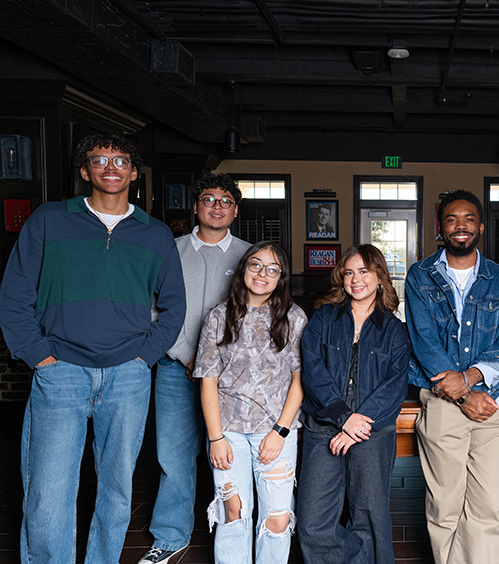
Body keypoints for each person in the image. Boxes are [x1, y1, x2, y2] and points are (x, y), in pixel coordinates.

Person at [0, 134, 186, 564]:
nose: (111, 167)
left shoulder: (155, 234)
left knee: (117, 488)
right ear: (85, 171)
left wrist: (145, 357)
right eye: (99, 160)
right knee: (48, 490)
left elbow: (175, 307)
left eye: (121, 160)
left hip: (128, 375)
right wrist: (39, 356)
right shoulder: (49, 220)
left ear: (134, 173)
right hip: (60, 370)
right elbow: (14, 295)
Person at [406, 189, 499, 564]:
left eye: (469, 219)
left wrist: (471, 379)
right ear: (440, 228)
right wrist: (460, 395)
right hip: (442, 401)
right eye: (452, 219)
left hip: (496, 402)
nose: (461, 226)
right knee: (445, 504)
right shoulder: (420, 276)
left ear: (481, 227)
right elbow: (424, 342)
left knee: (489, 506)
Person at [140, 174, 251, 564]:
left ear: (235, 210)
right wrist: (188, 355)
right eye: (209, 199)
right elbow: (153, 311)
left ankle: (232, 532)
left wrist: (213, 364)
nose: (217, 206)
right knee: (173, 456)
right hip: (176, 370)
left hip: (230, 379)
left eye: (225, 201)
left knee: (228, 455)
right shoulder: (169, 250)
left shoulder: (249, 255)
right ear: (195, 206)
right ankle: (170, 538)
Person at [297, 244, 410, 564]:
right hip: (323, 429)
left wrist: (358, 423)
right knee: (312, 524)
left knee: (369, 517)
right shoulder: (323, 318)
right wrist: (343, 417)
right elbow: (313, 370)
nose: (355, 279)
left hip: (372, 433)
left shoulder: (395, 330)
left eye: (364, 271)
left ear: (379, 277)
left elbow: (394, 386)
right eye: (349, 272)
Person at [196, 242, 306, 564]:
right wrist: (215, 438)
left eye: (273, 269)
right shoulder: (218, 316)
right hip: (227, 432)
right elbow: (208, 381)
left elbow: (299, 380)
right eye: (256, 265)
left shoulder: (294, 317)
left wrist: (280, 431)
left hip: (277, 431)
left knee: (277, 517)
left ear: (281, 277)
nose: (263, 274)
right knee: (233, 512)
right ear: (243, 268)